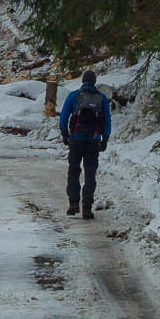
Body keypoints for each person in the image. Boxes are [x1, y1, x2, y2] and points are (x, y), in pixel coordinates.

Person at [58, 70, 112, 219]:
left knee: (73, 171)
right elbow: (107, 120)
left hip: (76, 140)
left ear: (82, 81)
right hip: (93, 141)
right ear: (94, 82)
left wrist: (65, 133)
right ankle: (87, 208)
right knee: (90, 174)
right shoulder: (101, 98)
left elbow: (64, 116)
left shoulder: (74, 96)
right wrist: (105, 138)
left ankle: (73, 204)